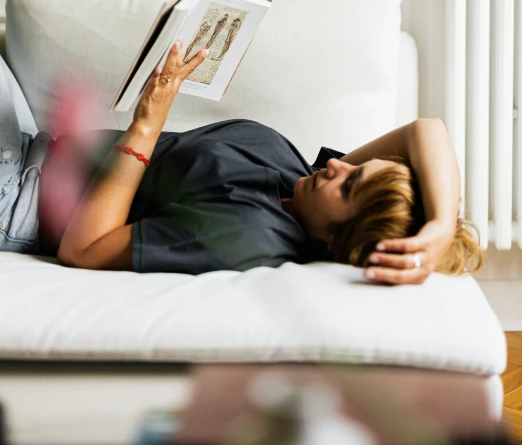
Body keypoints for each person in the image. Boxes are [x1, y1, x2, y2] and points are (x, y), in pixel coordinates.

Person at [0, 42, 484, 284]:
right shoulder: (299, 181)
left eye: (349, 187)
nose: (338, 166)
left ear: (336, 241)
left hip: (20, 196)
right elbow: (426, 130)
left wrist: (147, 125)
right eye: (357, 168)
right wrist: (441, 224)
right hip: (32, 143)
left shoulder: (249, 234)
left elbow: (84, 249)